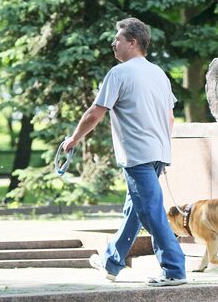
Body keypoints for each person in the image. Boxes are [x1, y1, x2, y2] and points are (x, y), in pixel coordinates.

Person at [62, 18, 186, 287]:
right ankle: (112, 262)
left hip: (137, 155)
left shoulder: (118, 74)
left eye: (117, 39)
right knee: (135, 209)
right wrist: (161, 145)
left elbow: (96, 113)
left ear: (132, 42)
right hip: (157, 153)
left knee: (151, 211)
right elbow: (170, 118)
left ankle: (175, 269)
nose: (113, 43)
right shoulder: (159, 74)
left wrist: (74, 139)